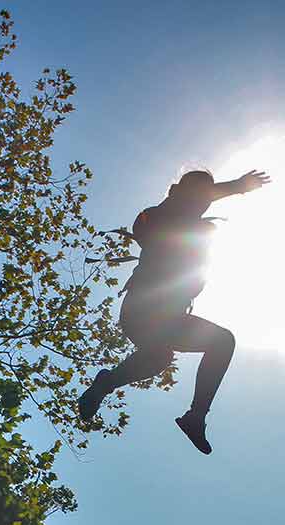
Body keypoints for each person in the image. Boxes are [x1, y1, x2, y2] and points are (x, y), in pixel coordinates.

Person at [78, 168, 270, 454]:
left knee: (160, 358)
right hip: (143, 310)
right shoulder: (159, 215)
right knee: (216, 341)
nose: (202, 203)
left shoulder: (192, 228)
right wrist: (236, 185)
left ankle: (110, 386)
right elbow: (159, 222)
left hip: (167, 319)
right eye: (199, 196)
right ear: (179, 191)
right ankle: (191, 414)